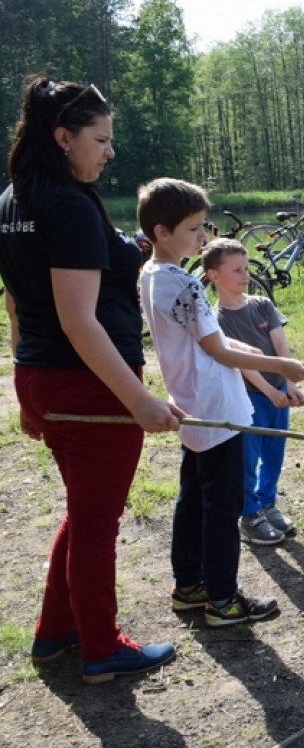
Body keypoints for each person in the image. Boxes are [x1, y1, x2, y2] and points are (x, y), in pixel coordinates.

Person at [0, 77, 182, 684]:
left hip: (45, 377)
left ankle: (56, 633)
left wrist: (30, 388)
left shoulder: (14, 198)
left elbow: (15, 303)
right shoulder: (71, 207)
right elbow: (78, 321)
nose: (109, 152)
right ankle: (102, 648)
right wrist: (139, 400)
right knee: (98, 524)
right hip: (90, 386)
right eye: (100, 139)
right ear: (62, 137)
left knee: (85, 512)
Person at [137, 177, 304, 628]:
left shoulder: (150, 274)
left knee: (194, 497)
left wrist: (254, 352)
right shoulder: (186, 283)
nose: (203, 238)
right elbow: (217, 351)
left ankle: (189, 586)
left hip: (192, 401)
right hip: (218, 407)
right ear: (162, 231)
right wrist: (283, 364)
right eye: (195, 229)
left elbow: (205, 340)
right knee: (224, 506)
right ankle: (222, 599)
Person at [204, 238, 303, 546]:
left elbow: (280, 346)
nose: (245, 275)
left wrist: (288, 382)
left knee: (275, 452)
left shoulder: (262, 304)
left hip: (278, 393)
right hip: (248, 398)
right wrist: (267, 390)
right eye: (236, 270)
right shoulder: (213, 319)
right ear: (213, 276)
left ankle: (267, 503)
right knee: (249, 457)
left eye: (246, 268)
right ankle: (248, 515)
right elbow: (239, 364)